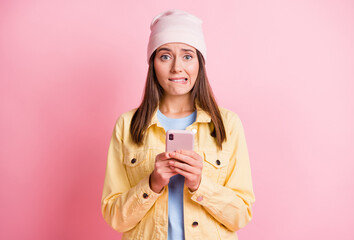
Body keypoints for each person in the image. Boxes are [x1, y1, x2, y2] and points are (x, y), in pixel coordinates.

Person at [101, 9, 255, 240]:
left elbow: (241, 215)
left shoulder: (227, 124)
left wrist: (199, 184)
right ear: (152, 63)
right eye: (164, 56)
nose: (176, 67)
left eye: (187, 56)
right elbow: (115, 217)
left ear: (199, 63)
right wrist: (152, 184)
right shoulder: (128, 125)